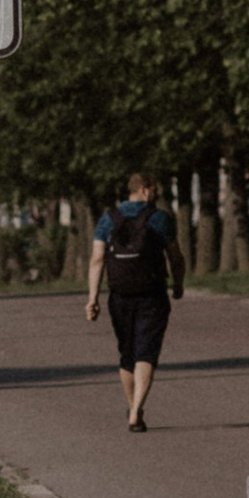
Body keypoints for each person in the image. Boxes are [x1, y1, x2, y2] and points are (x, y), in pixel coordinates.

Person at [85, 171, 184, 430]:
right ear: (145, 189)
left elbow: (97, 259)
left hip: (119, 295)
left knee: (127, 354)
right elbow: (175, 256)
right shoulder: (159, 218)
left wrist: (92, 297)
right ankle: (136, 409)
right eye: (155, 190)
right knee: (146, 352)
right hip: (152, 294)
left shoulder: (108, 219)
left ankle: (133, 408)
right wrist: (178, 283)